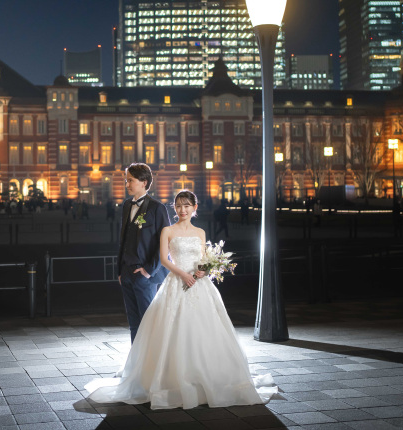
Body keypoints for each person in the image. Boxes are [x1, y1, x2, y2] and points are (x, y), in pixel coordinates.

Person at [85, 190, 276, 409]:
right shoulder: (168, 230)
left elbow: (203, 257)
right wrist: (183, 274)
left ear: (195, 208)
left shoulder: (200, 232)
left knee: (204, 329)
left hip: (199, 284)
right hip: (177, 281)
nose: (182, 210)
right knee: (170, 328)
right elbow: (163, 259)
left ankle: (205, 375)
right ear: (174, 208)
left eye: (186, 206)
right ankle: (169, 377)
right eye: (178, 206)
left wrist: (203, 270)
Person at [117, 162, 171, 343]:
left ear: (144, 182)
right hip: (126, 273)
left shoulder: (157, 208)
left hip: (145, 275)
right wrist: (120, 271)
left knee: (149, 322)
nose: (127, 184)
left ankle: (152, 364)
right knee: (133, 323)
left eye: (130, 181)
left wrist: (148, 271)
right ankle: (136, 364)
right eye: (126, 180)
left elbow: (166, 242)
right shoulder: (126, 205)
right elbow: (123, 239)